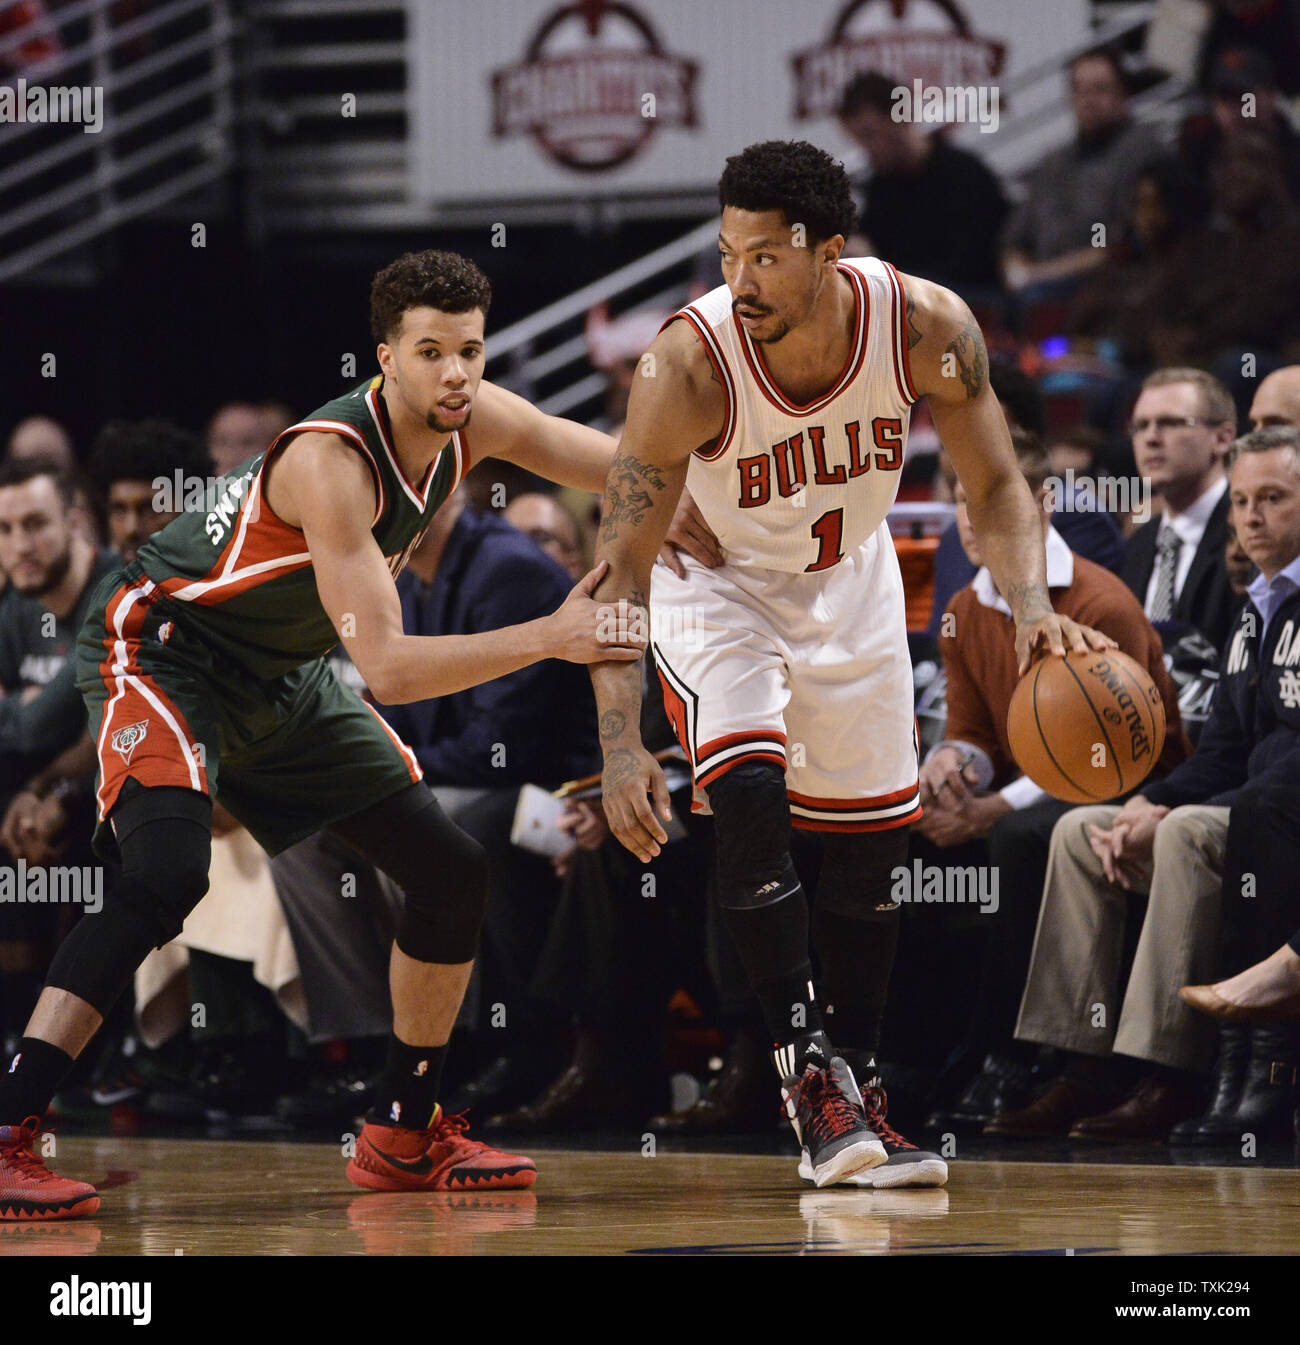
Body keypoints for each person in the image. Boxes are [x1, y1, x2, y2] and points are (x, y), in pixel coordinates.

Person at [0, 248, 669, 1219]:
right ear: (383, 360)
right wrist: (553, 637)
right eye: (430, 352)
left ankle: (403, 1125)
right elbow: (392, 669)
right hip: (167, 649)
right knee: (163, 875)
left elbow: (627, 462)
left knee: (449, 868)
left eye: (470, 352)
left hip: (280, 670)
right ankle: (13, 1126)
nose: (454, 373)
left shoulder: (472, 420)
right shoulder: (332, 462)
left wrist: (731, 480)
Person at [587, 139, 1111, 1189]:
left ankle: (861, 1085)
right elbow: (620, 575)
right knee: (747, 795)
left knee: (873, 843)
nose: (740, 282)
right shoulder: (686, 364)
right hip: (721, 586)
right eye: (727, 255)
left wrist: (1035, 606)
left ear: (831, 250)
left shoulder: (923, 323)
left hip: (852, 575)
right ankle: (804, 1075)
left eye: (766, 258)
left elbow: (999, 486)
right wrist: (618, 743)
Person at [993, 425, 1300, 1143]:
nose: (1252, 516)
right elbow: (1223, 749)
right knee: (1083, 829)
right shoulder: (1256, 608)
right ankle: (1079, 1064)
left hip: (1277, 823)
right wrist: (1148, 800)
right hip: (1249, 808)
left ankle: (1167, 1070)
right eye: (1244, 501)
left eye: (1275, 499)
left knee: (1189, 833)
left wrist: (1183, 812)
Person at [1001, 47, 1165, 298]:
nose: (1089, 100)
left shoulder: (1141, 153)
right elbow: (1015, 240)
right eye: (1080, 90)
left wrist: (1040, 275)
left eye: (1101, 89)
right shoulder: (1053, 162)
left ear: (1124, 94)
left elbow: (1119, 247)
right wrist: (1016, 271)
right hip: (1037, 285)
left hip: (1106, 286)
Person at [836, 70, 1008, 293]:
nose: (866, 149)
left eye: (870, 135)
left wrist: (882, 268)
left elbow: (970, 266)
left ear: (903, 118)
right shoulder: (882, 186)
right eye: (858, 139)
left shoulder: (964, 175)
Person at [1120, 368, 1239, 651]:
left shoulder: (1249, 535)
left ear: (1222, 439)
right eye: (1140, 426)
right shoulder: (1138, 544)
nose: (1150, 438)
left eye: (1170, 423)